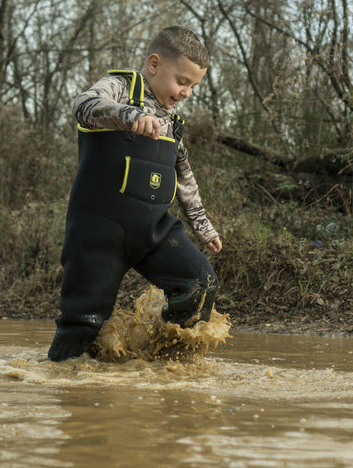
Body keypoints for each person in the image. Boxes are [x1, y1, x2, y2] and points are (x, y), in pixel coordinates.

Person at [47, 25, 222, 362]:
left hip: (155, 232)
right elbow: (82, 103)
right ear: (154, 64)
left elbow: (184, 177)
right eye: (182, 81)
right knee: (84, 322)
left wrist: (203, 226)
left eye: (193, 86)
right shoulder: (121, 88)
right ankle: (66, 384)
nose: (186, 92)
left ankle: (166, 366)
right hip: (98, 233)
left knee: (200, 284)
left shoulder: (173, 121)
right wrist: (128, 116)